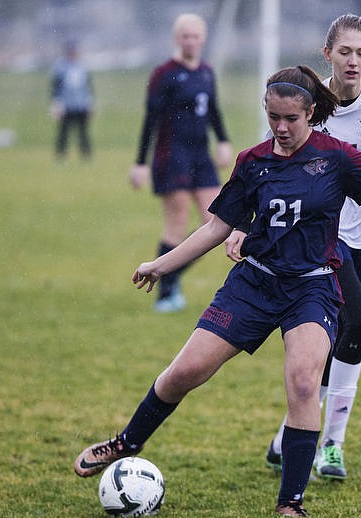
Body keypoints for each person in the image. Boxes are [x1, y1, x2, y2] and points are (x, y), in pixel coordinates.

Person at [74, 65, 361, 518]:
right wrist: (160, 265)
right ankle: (125, 442)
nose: (281, 128)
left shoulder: (339, 157)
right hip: (254, 284)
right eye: (273, 117)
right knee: (185, 372)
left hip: (312, 288)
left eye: (291, 119)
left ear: (311, 113)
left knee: (304, 381)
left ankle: (291, 503)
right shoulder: (253, 162)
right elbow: (215, 229)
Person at [226, 13, 361, 480]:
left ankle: (286, 439)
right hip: (321, 239)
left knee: (337, 338)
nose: (353, 61)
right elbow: (268, 163)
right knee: (360, 322)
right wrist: (243, 224)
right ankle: (331, 445)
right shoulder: (310, 105)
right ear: (327, 54)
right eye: (344, 51)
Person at [128, 13, 233, 313]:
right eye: (185, 36)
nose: (190, 41)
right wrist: (140, 163)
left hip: (201, 157)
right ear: (177, 39)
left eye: (195, 36)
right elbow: (150, 119)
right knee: (175, 225)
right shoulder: (164, 73)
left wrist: (223, 141)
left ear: (203, 39)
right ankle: (166, 292)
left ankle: (166, 274)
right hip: (171, 156)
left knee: (216, 223)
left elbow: (213, 111)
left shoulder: (206, 72)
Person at [50, 40, 94, 160]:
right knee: (63, 132)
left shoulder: (82, 67)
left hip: (80, 104)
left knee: (83, 132)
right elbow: (55, 86)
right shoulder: (60, 67)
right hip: (66, 105)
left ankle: (85, 154)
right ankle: (61, 154)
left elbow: (88, 87)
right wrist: (56, 103)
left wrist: (90, 104)